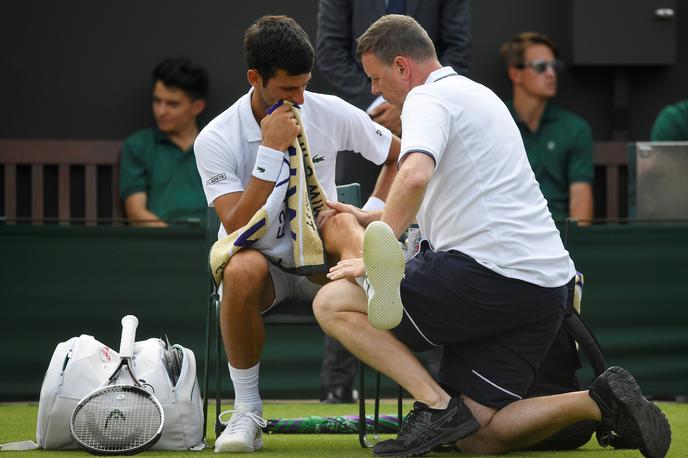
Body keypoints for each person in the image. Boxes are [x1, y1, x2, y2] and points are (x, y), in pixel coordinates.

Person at [313, 15, 671, 457]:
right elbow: (463, 195)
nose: (372, 90)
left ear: (403, 67)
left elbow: (415, 174)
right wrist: (376, 217)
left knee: (333, 303)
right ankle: (599, 401)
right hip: (546, 290)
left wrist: (379, 245)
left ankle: (434, 404)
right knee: (477, 439)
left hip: (486, 277)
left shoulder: (426, 99)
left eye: (375, 77)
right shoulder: (480, 96)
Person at [193, 15, 400, 453]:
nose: (299, 99)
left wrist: (374, 214)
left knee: (342, 219)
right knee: (240, 268)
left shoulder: (328, 111)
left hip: (324, 267)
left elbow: (399, 156)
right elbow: (234, 222)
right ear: (255, 78)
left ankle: (375, 277)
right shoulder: (215, 137)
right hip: (263, 269)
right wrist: (269, 151)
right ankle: (247, 411)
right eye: (288, 89)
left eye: (305, 85)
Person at [315, 0, 470, 398]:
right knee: (353, 242)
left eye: (375, 80)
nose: (372, 84)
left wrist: (414, 103)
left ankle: (437, 387)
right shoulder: (373, 86)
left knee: (425, 239)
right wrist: (379, 103)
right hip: (363, 130)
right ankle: (337, 386)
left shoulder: (435, 99)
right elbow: (329, 52)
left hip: (430, 115)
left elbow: (457, 47)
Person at [501, 32, 593, 225]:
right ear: (515, 73)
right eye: (541, 67)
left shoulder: (575, 128)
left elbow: (580, 199)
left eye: (554, 66)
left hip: (558, 235)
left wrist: (576, 243)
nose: (551, 74)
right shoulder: (496, 122)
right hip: (508, 232)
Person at [119, 58, 209, 227]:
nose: (161, 111)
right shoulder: (138, 145)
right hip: (160, 240)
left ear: (197, 106)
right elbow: (136, 213)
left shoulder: (215, 143)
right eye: (157, 101)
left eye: (172, 104)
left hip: (213, 240)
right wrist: (172, 240)